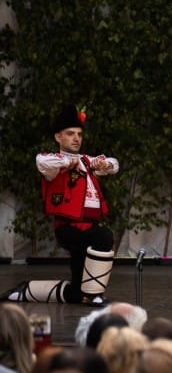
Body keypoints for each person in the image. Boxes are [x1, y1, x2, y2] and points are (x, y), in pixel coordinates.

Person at [4, 106, 118, 305]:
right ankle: (93, 295)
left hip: (88, 226)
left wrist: (104, 164)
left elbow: (113, 164)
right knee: (104, 237)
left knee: (76, 292)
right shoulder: (54, 162)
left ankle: (26, 291)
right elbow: (42, 162)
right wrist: (69, 162)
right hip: (68, 228)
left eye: (79, 134)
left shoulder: (86, 160)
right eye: (70, 134)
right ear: (58, 137)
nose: (76, 138)